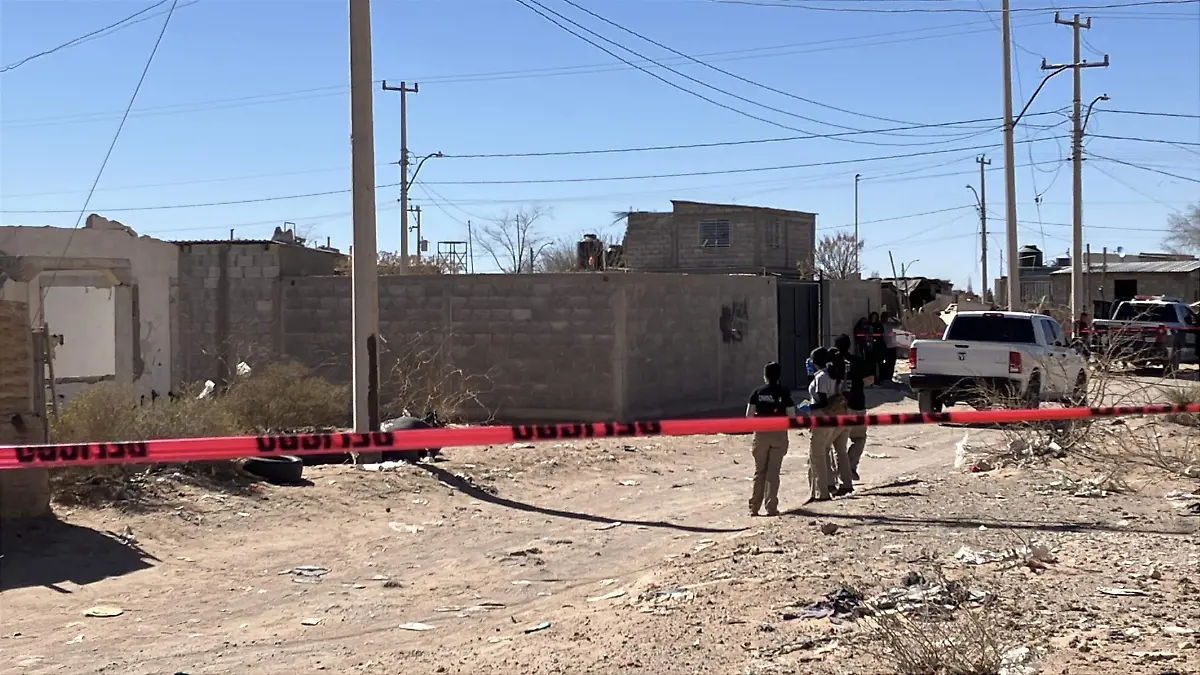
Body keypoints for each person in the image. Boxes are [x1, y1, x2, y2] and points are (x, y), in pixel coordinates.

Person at [745, 361, 795, 516]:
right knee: (773, 472)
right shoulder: (784, 392)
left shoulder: (756, 392)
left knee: (760, 471)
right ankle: (771, 507)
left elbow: (749, 416)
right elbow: (792, 416)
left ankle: (754, 507)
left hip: (761, 433)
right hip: (779, 433)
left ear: (765, 375)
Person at [804, 348, 852, 504]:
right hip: (831, 419)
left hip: (821, 418)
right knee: (822, 454)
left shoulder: (822, 377)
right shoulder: (831, 375)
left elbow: (823, 401)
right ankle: (822, 489)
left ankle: (822, 492)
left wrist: (809, 407)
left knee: (816, 457)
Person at [833, 334, 874, 481]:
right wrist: (858, 384)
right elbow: (870, 379)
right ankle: (850, 466)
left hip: (837, 407)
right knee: (859, 438)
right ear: (849, 345)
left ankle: (837, 472)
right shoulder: (858, 360)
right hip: (856, 404)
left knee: (837, 442)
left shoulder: (832, 361)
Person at [880, 311, 898, 384]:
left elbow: (899, 323)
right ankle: (884, 377)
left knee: (891, 363)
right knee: (885, 363)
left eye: (887, 317)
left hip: (892, 346)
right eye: (885, 317)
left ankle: (889, 377)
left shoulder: (891, 325)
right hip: (884, 346)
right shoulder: (881, 325)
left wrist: (892, 318)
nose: (886, 318)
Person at [868, 312, 887, 383]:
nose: (874, 318)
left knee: (880, 363)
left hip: (879, 347)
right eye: (873, 317)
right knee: (872, 365)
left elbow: (881, 333)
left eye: (875, 317)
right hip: (871, 347)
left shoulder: (879, 324)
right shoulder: (868, 325)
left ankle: (881, 378)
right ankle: (874, 379)